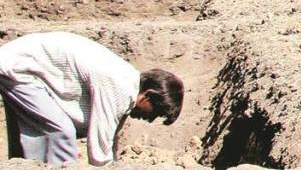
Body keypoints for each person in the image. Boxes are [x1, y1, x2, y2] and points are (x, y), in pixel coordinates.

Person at [0, 31, 184, 166]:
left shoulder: (126, 82)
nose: (150, 119)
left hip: (22, 66)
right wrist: (106, 164)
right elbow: (99, 151)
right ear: (148, 95)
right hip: (19, 67)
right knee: (61, 130)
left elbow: (109, 137)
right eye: (155, 113)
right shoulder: (120, 88)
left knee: (41, 130)